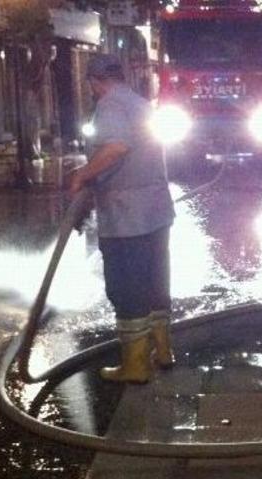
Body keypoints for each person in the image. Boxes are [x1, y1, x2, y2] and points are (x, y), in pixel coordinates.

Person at [69, 55, 176, 384]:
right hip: (156, 212)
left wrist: (82, 175)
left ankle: (135, 366)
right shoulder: (141, 103)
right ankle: (163, 350)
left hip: (127, 216)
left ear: (94, 82)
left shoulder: (109, 105)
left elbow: (116, 147)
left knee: (126, 288)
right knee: (154, 283)